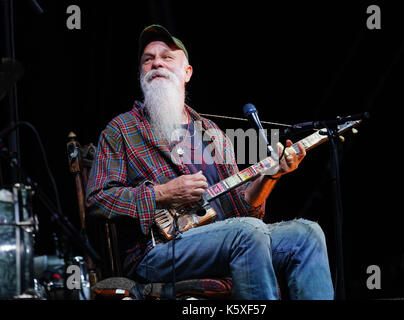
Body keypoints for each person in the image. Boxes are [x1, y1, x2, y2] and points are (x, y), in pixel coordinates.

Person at [86, 24, 334, 300]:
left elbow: (244, 208)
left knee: (307, 234)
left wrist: (270, 176)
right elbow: (97, 201)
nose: (156, 62)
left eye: (167, 57)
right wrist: (162, 194)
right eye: (148, 59)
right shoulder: (121, 130)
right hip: (157, 252)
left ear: (187, 73)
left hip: (228, 238)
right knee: (247, 233)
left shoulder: (212, 133)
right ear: (141, 73)